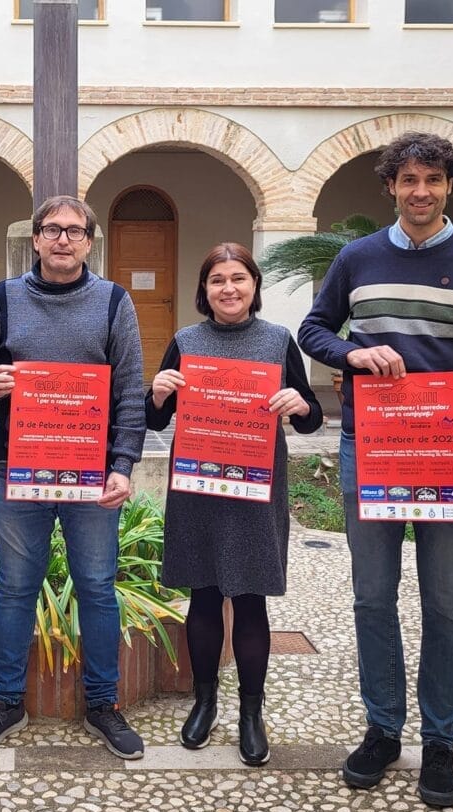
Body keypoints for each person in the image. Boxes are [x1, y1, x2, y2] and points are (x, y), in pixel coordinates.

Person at [297, 131, 453, 808]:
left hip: (450, 457)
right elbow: (313, 330)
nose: (421, 191)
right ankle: (383, 729)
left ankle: (440, 741)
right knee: (372, 596)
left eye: (434, 180)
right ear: (389, 186)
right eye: (409, 179)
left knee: (446, 603)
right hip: (373, 448)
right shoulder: (356, 259)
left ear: (451, 187)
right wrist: (352, 356)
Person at [0, 195, 146, 760]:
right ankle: (6, 701)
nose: (62, 239)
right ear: (37, 239)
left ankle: (103, 704)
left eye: (74, 230)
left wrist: (123, 465)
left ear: (90, 241)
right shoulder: (4, 297)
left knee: (95, 586)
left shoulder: (115, 301)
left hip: (90, 475)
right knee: (16, 587)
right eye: (52, 230)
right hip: (18, 468)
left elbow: (130, 392)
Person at [146, 242, 323, 766]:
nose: (228, 288)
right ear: (204, 290)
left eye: (238, 278)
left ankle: (251, 711)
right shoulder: (185, 341)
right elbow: (156, 420)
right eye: (217, 279)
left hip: (255, 487)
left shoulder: (277, 340)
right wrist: (156, 393)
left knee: (249, 598)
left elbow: (313, 416)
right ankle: (204, 702)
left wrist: (301, 404)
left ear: (254, 285)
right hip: (199, 484)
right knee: (202, 596)